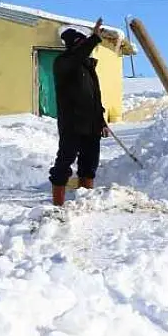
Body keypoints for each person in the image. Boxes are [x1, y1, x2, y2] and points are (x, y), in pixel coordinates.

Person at [49, 19, 110, 206]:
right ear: (74, 45)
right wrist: (94, 39)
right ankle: (58, 205)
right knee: (64, 162)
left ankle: (85, 203)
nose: (86, 46)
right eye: (82, 43)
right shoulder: (63, 63)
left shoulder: (89, 68)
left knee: (89, 165)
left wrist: (101, 120)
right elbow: (76, 56)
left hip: (91, 125)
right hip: (72, 124)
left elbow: (95, 97)